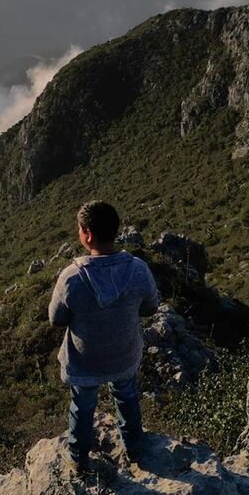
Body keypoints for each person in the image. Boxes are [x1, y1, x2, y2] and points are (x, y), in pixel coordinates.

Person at [48, 200, 160, 473]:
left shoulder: (72, 277)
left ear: (87, 233)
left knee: (82, 406)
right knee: (127, 395)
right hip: (124, 356)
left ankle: (78, 456)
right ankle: (134, 447)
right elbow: (151, 307)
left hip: (85, 363)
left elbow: (56, 319)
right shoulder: (138, 269)